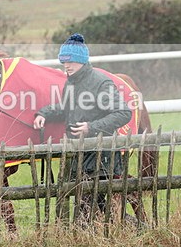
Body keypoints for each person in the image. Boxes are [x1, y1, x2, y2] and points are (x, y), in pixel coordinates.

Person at [33, 33, 132, 224]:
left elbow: (123, 113)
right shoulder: (71, 82)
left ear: (82, 61)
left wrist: (91, 127)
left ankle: (100, 239)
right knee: (97, 209)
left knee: (87, 211)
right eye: (63, 62)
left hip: (100, 155)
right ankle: (130, 229)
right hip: (79, 154)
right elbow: (65, 108)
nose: (66, 66)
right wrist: (43, 113)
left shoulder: (101, 83)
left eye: (71, 62)